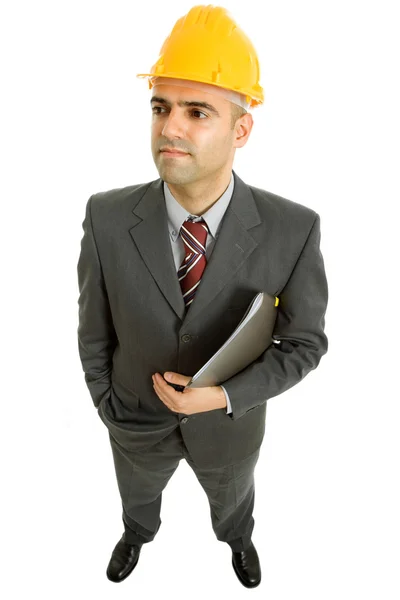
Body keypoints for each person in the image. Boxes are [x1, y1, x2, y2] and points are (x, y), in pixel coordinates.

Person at [77, 4, 328, 589]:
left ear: (241, 129)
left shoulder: (294, 230)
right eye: (161, 107)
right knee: (137, 497)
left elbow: (305, 342)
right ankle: (136, 534)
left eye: (198, 111)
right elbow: (94, 327)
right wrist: (105, 405)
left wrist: (224, 397)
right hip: (134, 419)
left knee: (233, 501)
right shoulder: (107, 216)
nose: (170, 128)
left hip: (230, 429)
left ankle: (238, 540)